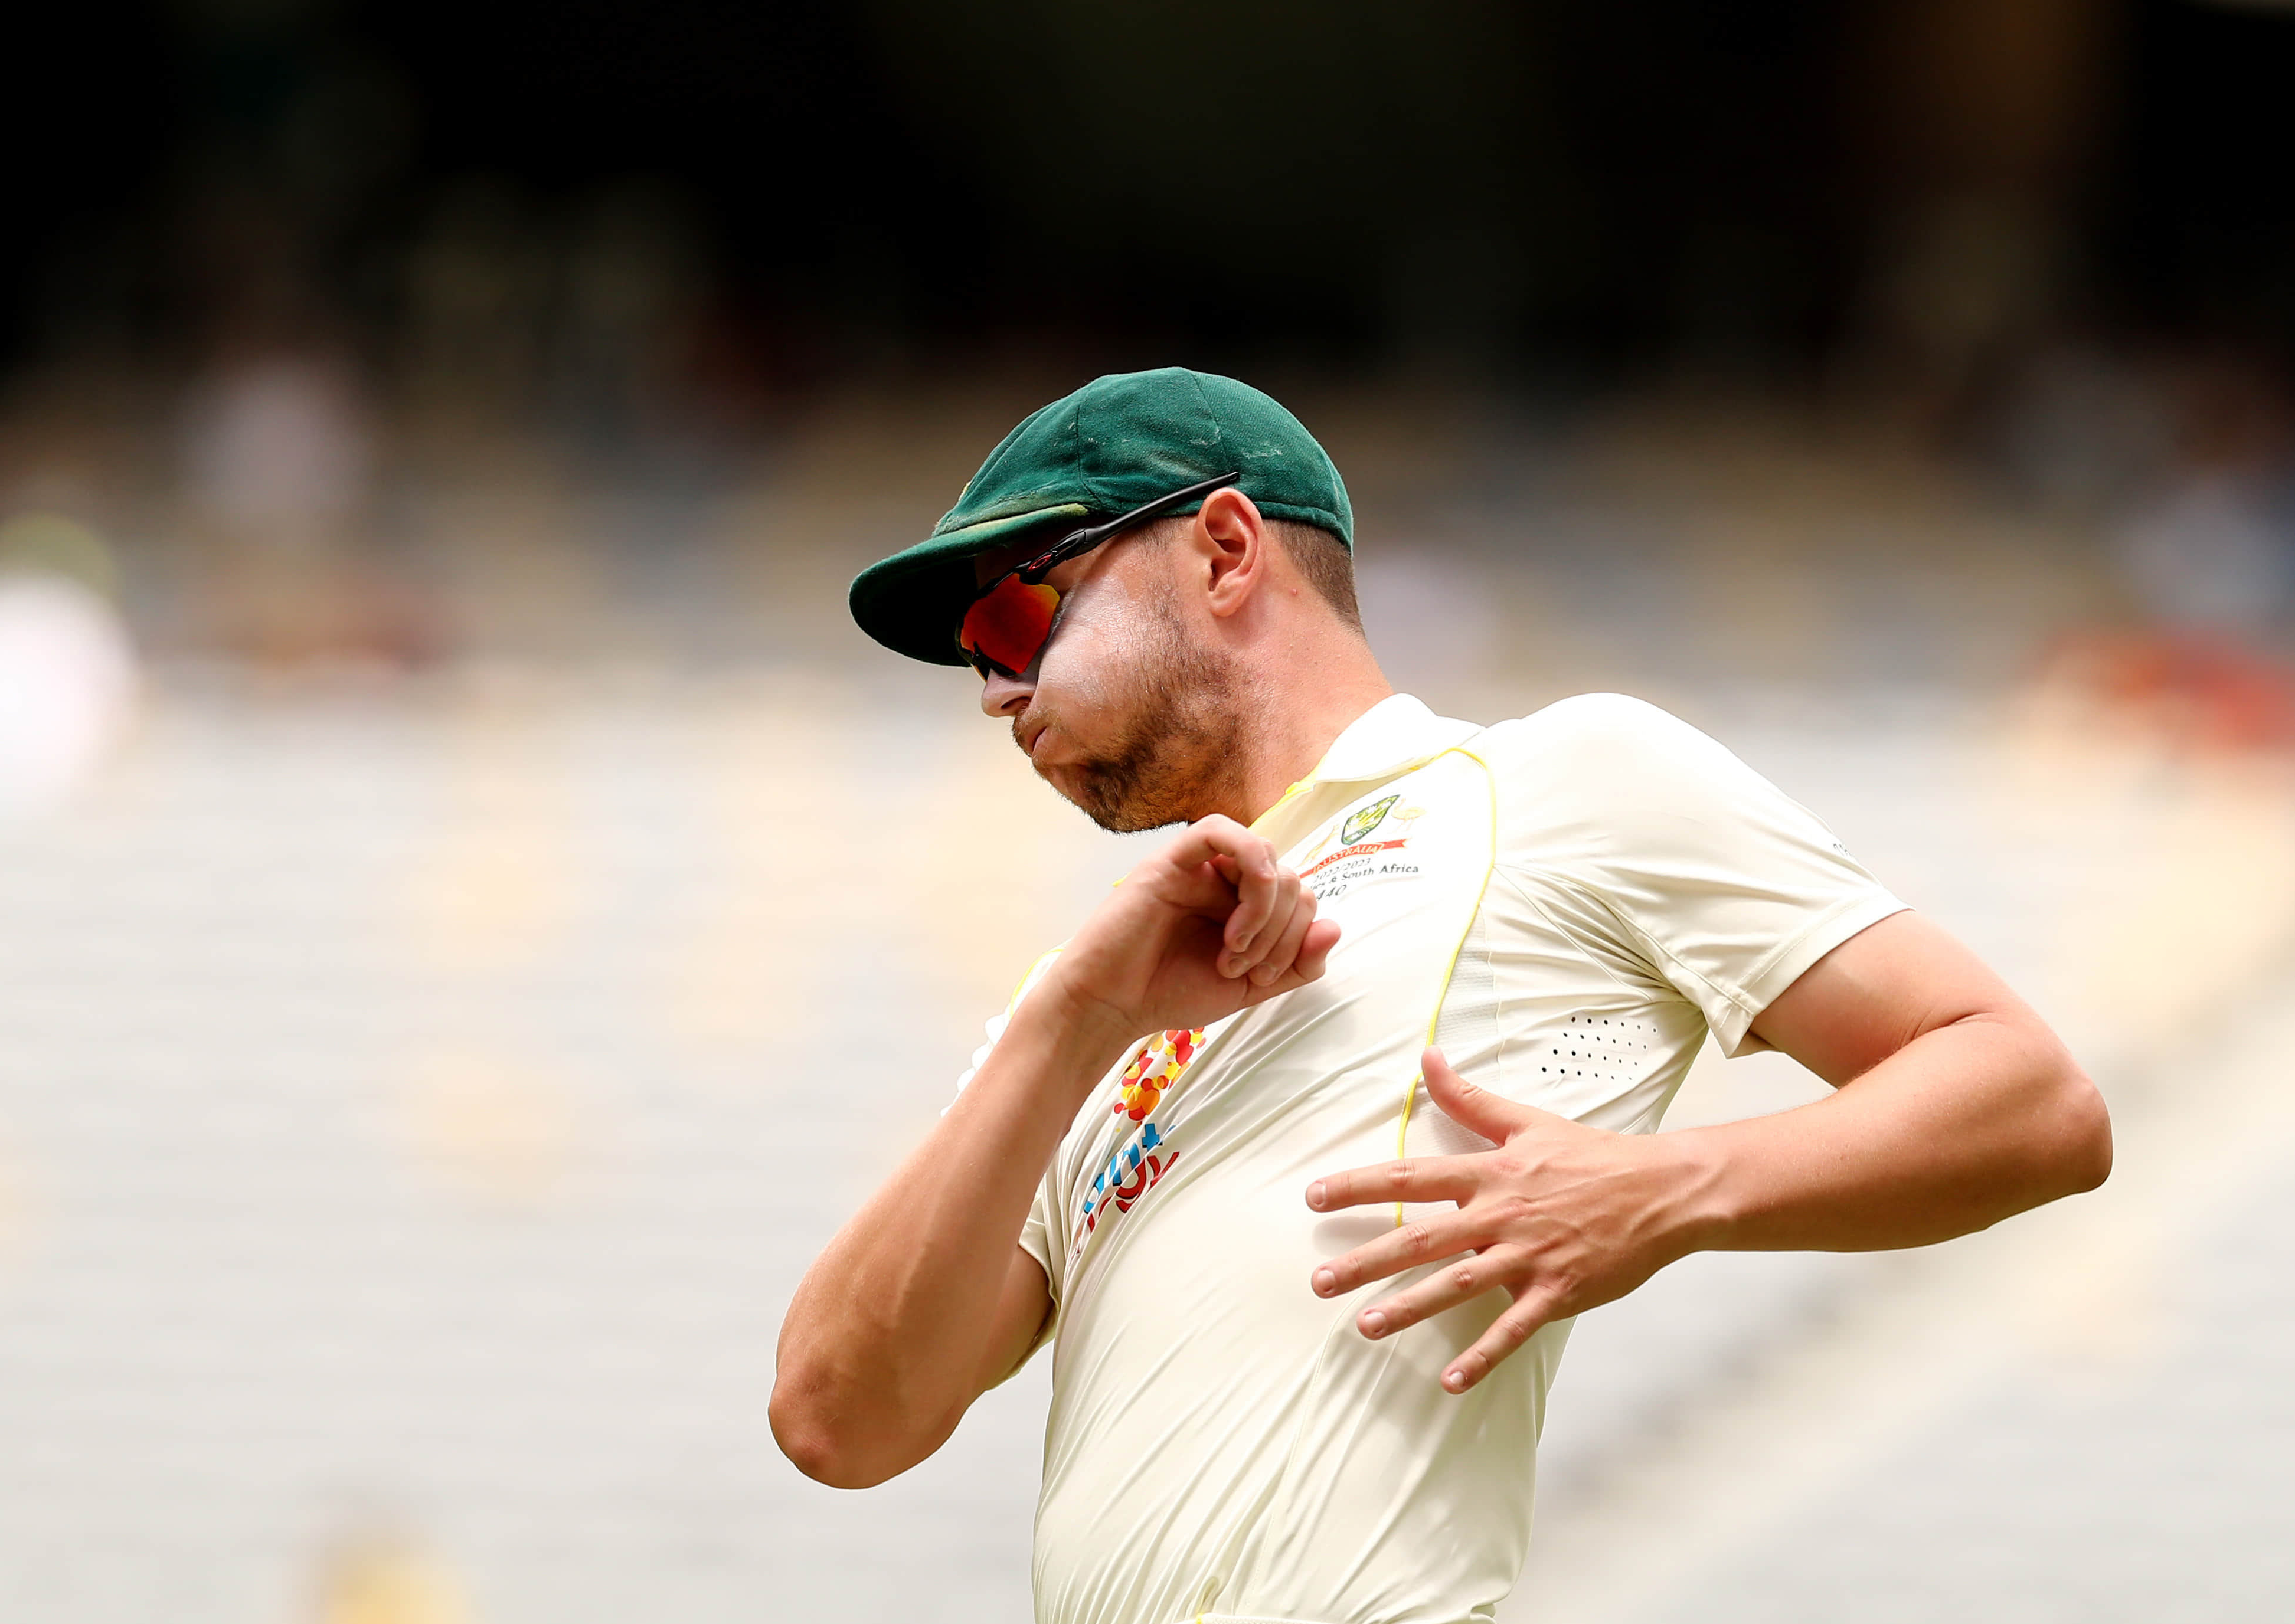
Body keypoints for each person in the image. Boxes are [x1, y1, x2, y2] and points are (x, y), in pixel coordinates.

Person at [770, 368, 2111, 1624]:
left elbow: (2030, 1097)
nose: (997, 694)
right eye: (974, 657)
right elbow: (837, 1421)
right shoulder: (1102, 993)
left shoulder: (1564, 778)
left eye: (1013, 621)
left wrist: (1667, 1191)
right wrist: (1064, 1020)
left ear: (1225, 551)